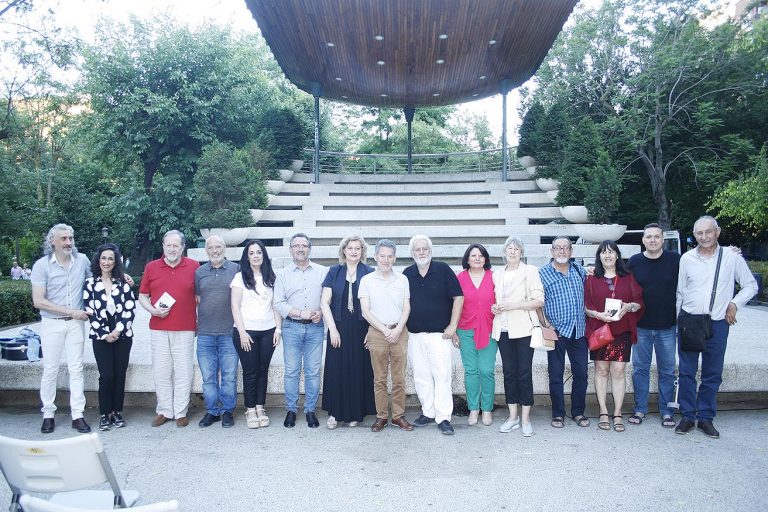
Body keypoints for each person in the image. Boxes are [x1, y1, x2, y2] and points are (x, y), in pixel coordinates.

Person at [675, 216, 757, 438]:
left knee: (712, 373)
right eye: (699, 233)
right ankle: (687, 416)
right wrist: (678, 321)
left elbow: (750, 285)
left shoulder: (731, 258)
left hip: (718, 322)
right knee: (687, 372)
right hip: (690, 320)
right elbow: (680, 292)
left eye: (708, 232)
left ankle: (705, 418)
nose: (704, 237)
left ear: (717, 232)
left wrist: (735, 303)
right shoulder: (687, 259)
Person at [31, 224, 92, 434]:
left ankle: (78, 415)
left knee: (76, 369)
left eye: (71, 238)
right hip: (52, 324)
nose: (68, 242)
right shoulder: (42, 265)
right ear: (52, 242)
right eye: (64, 239)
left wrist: (122, 278)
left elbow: (99, 280)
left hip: (76, 324)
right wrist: (71, 311)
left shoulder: (82, 260)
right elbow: (38, 301)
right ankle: (48, 414)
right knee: (50, 369)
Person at [403, 234, 464, 436]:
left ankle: (443, 417)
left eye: (425, 249)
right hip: (415, 335)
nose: (421, 252)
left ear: (430, 251)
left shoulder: (443, 270)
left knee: (442, 376)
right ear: (412, 253)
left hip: (440, 336)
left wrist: (453, 326)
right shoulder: (407, 273)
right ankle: (428, 412)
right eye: (417, 249)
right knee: (421, 376)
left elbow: (458, 297)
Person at [139, 230, 199, 428]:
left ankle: (181, 412)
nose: (172, 249)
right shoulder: (151, 267)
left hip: (185, 327)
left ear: (182, 247)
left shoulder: (194, 266)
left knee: (184, 371)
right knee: (161, 371)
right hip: (159, 327)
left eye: (176, 245)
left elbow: (200, 295)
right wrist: (153, 311)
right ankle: (164, 411)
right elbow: (143, 296)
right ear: (163, 246)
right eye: (168, 245)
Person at [584, 240, 644, 433]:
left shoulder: (628, 277)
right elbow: (585, 307)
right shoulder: (592, 278)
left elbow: (639, 302)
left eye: (611, 252)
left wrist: (628, 307)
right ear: (599, 256)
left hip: (622, 330)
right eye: (604, 252)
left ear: (617, 255)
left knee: (618, 371)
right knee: (601, 370)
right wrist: (597, 315)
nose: (607, 255)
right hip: (600, 330)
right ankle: (603, 411)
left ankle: (617, 412)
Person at [626, 223, 680, 428]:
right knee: (640, 369)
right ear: (643, 240)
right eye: (649, 237)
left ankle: (667, 411)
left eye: (657, 236)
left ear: (663, 239)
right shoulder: (634, 262)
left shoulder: (675, 260)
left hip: (668, 326)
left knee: (667, 371)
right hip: (641, 326)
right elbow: (619, 280)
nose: (653, 240)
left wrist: (728, 252)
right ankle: (640, 409)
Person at [319, 235, 376, 429]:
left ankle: (355, 413)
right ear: (344, 250)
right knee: (337, 370)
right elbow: (324, 302)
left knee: (358, 369)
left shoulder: (369, 272)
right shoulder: (334, 271)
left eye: (357, 248)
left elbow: (375, 305)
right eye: (350, 248)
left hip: (362, 328)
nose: (353, 251)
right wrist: (332, 329)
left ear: (362, 251)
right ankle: (335, 413)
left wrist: (371, 330)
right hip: (338, 328)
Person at [273, 233, 328, 428]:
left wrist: (321, 312)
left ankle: (310, 410)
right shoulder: (282, 274)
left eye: (304, 245)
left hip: (315, 328)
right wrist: (300, 313)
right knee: (292, 371)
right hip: (291, 327)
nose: (300, 249)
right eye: (296, 246)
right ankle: (291, 409)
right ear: (290, 250)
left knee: (313, 371)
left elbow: (329, 298)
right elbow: (278, 302)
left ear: (309, 248)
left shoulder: (322, 272)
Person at [358, 239, 413, 432]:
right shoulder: (366, 280)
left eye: (390, 256)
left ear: (395, 258)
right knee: (379, 379)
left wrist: (397, 330)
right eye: (382, 256)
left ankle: (398, 416)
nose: (386, 260)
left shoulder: (402, 279)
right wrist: (384, 330)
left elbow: (406, 308)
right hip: (377, 333)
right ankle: (381, 416)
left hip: (399, 332)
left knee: (399, 378)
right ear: (375, 256)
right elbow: (366, 311)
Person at [491, 236, 544, 437]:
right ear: (504, 252)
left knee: (524, 372)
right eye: (509, 248)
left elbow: (539, 300)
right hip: (503, 329)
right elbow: (495, 300)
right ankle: (513, 416)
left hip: (524, 329)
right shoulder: (497, 274)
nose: (512, 252)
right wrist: (494, 307)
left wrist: (513, 306)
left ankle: (526, 418)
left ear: (521, 253)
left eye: (516, 249)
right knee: (509, 372)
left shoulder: (530, 271)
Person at [83, 243, 136, 432]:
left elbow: (130, 309)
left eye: (110, 259)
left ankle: (117, 411)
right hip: (100, 336)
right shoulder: (90, 284)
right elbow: (89, 311)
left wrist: (118, 330)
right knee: (106, 376)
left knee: (120, 375)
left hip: (123, 334)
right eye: (103, 258)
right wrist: (105, 334)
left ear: (116, 262)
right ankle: (105, 413)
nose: (106, 262)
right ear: (98, 260)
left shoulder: (123, 282)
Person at [539, 236, 590, 429]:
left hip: (579, 331)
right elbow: (538, 303)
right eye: (558, 248)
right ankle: (558, 414)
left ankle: (578, 412)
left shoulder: (579, 270)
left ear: (571, 251)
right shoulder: (543, 273)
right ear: (552, 251)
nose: (562, 251)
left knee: (581, 374)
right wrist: (546, 325)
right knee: (555, 375)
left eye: (565, 248)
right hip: (557, 332)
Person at [231, 239, 281, 429]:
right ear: (246, 257)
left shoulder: (271, 277)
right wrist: (242, 333)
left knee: (262, 370)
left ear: (264, 255)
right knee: (250, 371)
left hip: (268, 331)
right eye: (251, 253)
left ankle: (260, 407)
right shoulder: (239, 278)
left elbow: (275, 305)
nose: (255, 256)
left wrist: (278, 329)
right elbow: (235, 306)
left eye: (259, 252)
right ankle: (250, 409)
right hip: (247, 332)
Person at [195, 235, 240, 428]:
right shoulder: (199, 272)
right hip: (205, 333)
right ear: (206, 251)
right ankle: (212, 411)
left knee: (229, 375)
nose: (215, 251)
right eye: (211, 248)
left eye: (218, 247)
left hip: (229, 333)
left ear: (224, 248)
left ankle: (227, 411)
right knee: (208, 377)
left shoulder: (236, 270)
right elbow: (196, 298)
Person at [455, 243, 497, 426]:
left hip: (489, 329)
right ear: (467, 259)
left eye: (480, 255)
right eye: (473, 255)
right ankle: (473, 408)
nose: (477, 258)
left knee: (486, 370)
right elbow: (453, 305)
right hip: (465, 330)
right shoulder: (460, 278)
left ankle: (487, 409)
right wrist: (453, 330)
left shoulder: (494, 277)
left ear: (485, 258)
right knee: (471, 371)